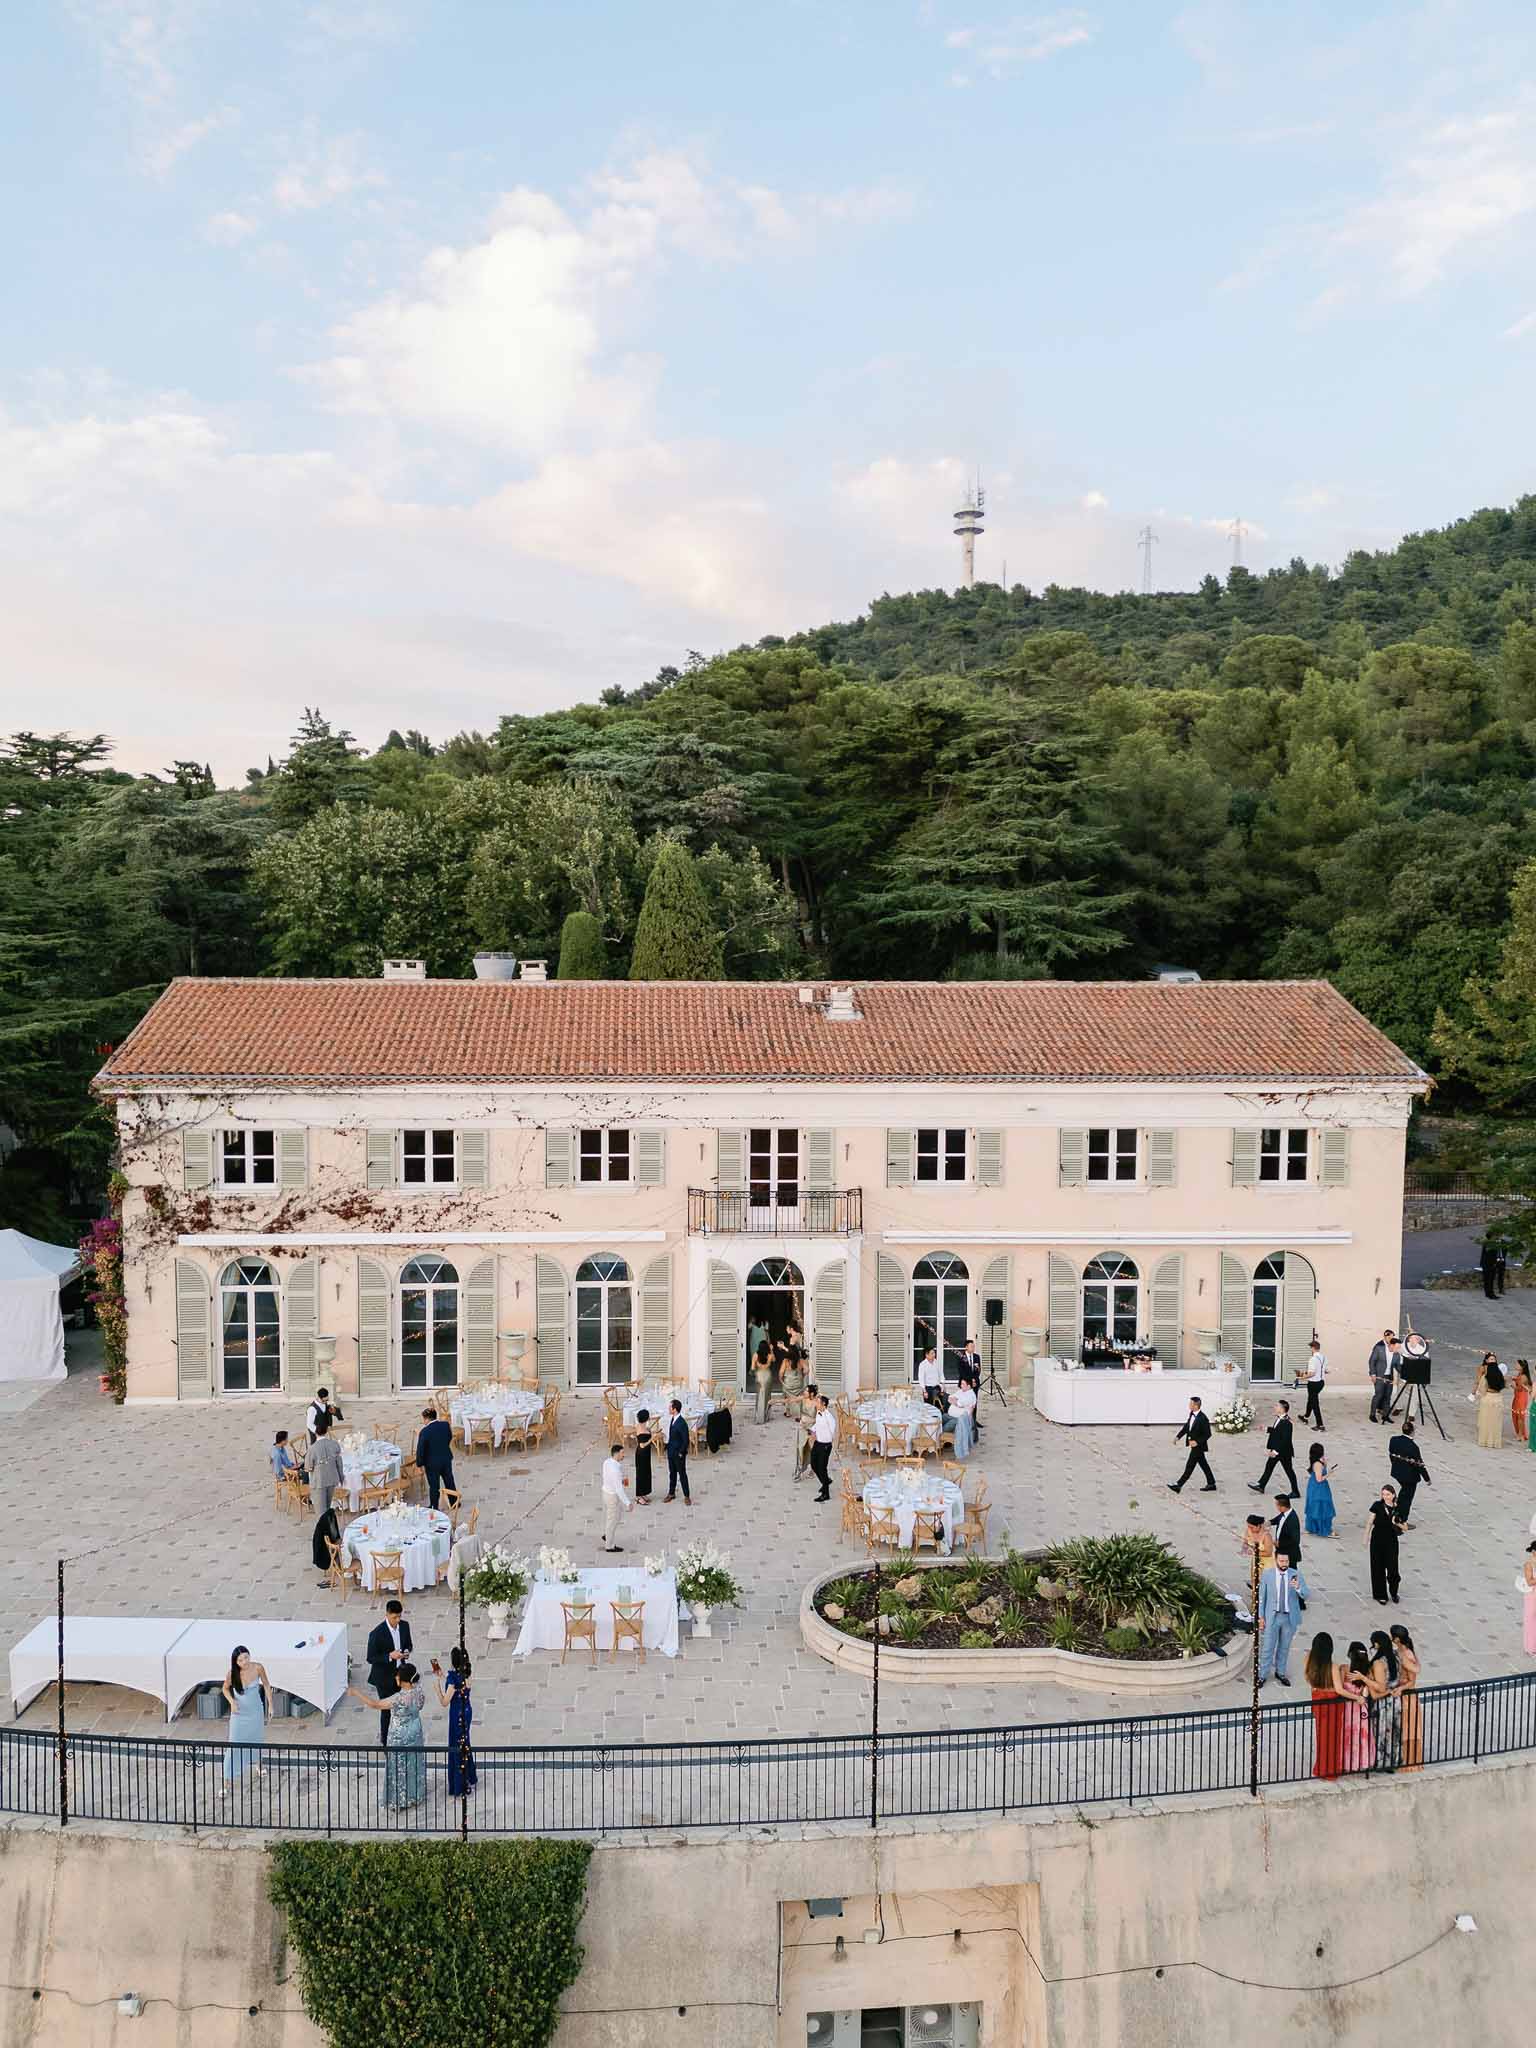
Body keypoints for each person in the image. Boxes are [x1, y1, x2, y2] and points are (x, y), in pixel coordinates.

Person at [347, 1663, 426, 1811]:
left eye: (397, 1675)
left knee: (398, 1767)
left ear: (402, 1680)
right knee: (413, 1764)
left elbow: (375, 1704)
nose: (395, 1677)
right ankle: (415, 1795)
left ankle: (399, 1799)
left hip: (399, 1737)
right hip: (415, 1733)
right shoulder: (419, 1691)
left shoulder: (398, 1698)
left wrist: (356, 1693)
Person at [219, 1645, 271, 1793]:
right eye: (240, 1660)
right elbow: (224, 1688)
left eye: (246, 1657)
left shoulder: (258, 1668)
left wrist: (271, 1705)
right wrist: (232, 1702)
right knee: (234, 1744)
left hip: (255, 1712)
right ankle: (226, 1782)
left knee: (256, 1739)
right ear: (236, 1661)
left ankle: (259, 1765)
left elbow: (267, 1685)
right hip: (239, 1714)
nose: (244, 1661)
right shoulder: (232, 1674)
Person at [1256, 1550, 1309, 1688]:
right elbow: (1262, 1598)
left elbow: (1306, 1594)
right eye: (1281, 1561)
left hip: (1289, 1618)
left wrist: (1298, 1588)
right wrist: (1261, 1617)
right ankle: (1262, 1675)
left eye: (1286, 1561)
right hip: (1272, 1617)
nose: (1284, 1564)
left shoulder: (1295, 1574)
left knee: (1284, 1647)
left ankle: (1280, 1672)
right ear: (1276, 1560)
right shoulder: (1268, 1575)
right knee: (1268, 1647)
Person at [365, 1599, 412, 1749]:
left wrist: (406, 1652)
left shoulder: (404, 1626)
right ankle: (386, 1743)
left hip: (401, 1675)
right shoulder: (377, 1634)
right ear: (387, 1614)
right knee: (386, 1711)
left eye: (399, 1617)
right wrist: (389, 1656)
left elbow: (408, 1644)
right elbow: (370, 1658)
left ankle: (402, 1736)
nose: (397, 1620)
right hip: (384, 1678)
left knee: (403, 1707)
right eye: (394, 1617)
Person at [432, 1645, 477, 1800]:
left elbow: (445, 1701)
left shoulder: (452, 1679)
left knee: (456, 1746)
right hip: (467, 1711)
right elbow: (458, 1686)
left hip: (456, 1713)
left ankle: (461, 1784)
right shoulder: (467, 1674)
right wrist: (444, 1675)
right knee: (465, 1743)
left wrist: (437, 1688)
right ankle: (469, 1777)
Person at [306, 1415, 345, 1580]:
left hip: (320, 1483)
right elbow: (339, 1463)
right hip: (332, 1480)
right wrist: (340, 1477)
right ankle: (330, 1537)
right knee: (327, 1509)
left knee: (321, 1515)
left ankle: (327, 1546)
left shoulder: (312, 1449)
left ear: (316, 1431)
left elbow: (308, 1467)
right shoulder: (334, 1444)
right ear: (327, 1430)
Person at [1306, 1632, 1344, 1779]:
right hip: (1332, 1702)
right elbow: (1339, 1689)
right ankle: (1330, 1769)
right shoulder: (1333, 1666)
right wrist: (1357, 1697)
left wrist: (1317, 1688)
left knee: (1321, 1735)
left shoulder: (1310, 1659)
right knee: (1333, 1737)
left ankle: (1321, 1766)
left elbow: (1307, 1677)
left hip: (1318, 1700)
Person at [1366, 1629, 1401, 1773]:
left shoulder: (1379, 1663)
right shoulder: (1396, 1657)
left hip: (1383, 1702)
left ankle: (1380, 1763)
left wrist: (1366, 1679)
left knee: (1381, 1732)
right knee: (1393, 1731)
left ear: (1377, 1644)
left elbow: (1380, 1688)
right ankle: (1393, 1761)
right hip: (1395, 1700)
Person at [1339, 1643, 1377, 1774]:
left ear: (1350, 1654)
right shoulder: (1367, 1671)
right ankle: (1363, 1762)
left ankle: (1347, 1763)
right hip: (1362, 1708)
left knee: (1348, 1735)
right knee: (1361, 1735)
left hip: (1348, 1709)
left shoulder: (1344, 1669)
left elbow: (1339, 1690)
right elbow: (1368, 1691)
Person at [1249, 1400, 1299, 1497]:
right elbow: (1277, 1431)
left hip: (1283, 1452)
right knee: (1269, 1467)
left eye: (1277, 1406)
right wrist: (1266, 1429)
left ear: (1282, 1409)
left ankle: (1295, 1492)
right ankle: (1261, 1485)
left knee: (1289, 1471)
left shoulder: (1287, 1422)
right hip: (1278, 1449)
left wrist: (1275, 1452)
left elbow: (1285, 1440)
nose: (1275, 1407)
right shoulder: (1280, 1419)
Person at [1366, 1484, 1405, 1604]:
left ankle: (1394, 1592)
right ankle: (1380, 1594)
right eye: (1383, 1494)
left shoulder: (1398, 1508)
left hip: (1391, 1542)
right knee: (1377, 1567)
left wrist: (1396, 1522)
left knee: (1393, 1568)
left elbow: (1405, 1527)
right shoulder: (1377, 1505)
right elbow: (1369, 1522)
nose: (1385, 1496)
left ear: (1393, 1495)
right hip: (1377, 1540)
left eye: (1388, 1494)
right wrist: (1365, 1537)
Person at [1387, 1417, 1429, 1525]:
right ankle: (1402, 1520)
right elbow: (1419, 1464)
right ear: (1412, 1432)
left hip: (1397, 1473)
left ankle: (1394, 1512)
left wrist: (1395, 1465)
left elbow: (1392, 1455)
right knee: (1407, 1499)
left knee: (1403, 1494)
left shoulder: (1394, 1440)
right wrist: (1427, 1478)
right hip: (1409, 1477)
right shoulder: (1413, 1447)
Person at [1169, 1396, 1216, 1492]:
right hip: (1193, 1445)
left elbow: (1208, 1434)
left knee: (1190, 1466)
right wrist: (1178, 1437)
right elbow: (1187, 1427)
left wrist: (1197, 1442)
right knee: (1203, 1464)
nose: (1189, 1405)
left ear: (1196, 1405)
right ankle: (1211, 1483)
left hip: (1198, 1446)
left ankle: (1179, 1485)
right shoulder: (1192, 1414)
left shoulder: (1203, 1418)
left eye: (1191, 1404)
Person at [1391, 1625, 1422, 1771]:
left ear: (1396, 1638)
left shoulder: (1407, 1655)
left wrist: (1400, 1688)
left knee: (1409, 1729)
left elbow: (1412, 1681)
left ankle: (1410, 1763)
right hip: (1399, 1696)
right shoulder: (1399, 1652)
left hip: (1407, 1698)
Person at [415, 1406, 456, 1511]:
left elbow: (421, 1450)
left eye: (423, 1419)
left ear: (427, 1419)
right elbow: (449, 1437)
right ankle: (455, 1502)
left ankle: (434, 1506)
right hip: (446, 1458)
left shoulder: (424, 1431)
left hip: (432, 1463)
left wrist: (419, 1464)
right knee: (449, 1481)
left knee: (434, 1486)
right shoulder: (445, 1425)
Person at [601, 1442, 633, 1551]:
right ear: (617, 1454)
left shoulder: (607, 1462)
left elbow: (611, 1477)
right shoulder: (615, 1470)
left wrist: (621, 1479)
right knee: (612, 1520)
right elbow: (619, 1490)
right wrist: (628, 1503)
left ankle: (607, 1534)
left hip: (606, 1492)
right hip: (612, 1497)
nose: (624, 1455)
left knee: (617, 1516)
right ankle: (609, 1546)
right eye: (622, 1453)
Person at [664, 1398, 692, 1504]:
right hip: (671, 1452)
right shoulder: (673, 1419)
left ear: (674, 1409)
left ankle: (687, 1496)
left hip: (678, 1454)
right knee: (672, 1474)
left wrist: (681, 1453)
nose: (668, 1408)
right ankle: (671, 1493)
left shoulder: (682, 1423)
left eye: (670, 1407)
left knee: (682, 1474)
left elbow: (686, 1440)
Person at [1304, 1442, 1335, 1538]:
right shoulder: (1317, 1464)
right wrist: (1329, 1473)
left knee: (1316, 1506)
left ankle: (1314, 1527)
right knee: (1322, 1506)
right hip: (1319, 1488)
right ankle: (1323, 1529)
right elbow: (1319, 1479)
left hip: (1315, 1486)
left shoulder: (1317, 1462)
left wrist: (1325, 1463)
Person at [808, 1394, 836, 1502]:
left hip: (825, 1445)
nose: (816, 1404)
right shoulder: (818, 1413)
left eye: (817, 1402)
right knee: (814, 1465)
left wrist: (827, 1440)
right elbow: (817, 1425)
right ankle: (826, 1481)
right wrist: (812, 1430)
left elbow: (832, 1433)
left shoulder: (829, 1417)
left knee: (822, 1468)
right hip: (817, 1443)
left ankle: (826, 1493)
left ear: (823, 1404)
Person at [1367, 1331, 1398, 1424]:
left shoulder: (1394, 1348)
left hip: (1389, 1376)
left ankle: (1386, 1415)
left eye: (1392, 1337)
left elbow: (1397, 1364)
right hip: (1379, 1375)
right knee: (1378, 1395)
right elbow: (1372, 1361)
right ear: (1385, 1336)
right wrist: (1373, 1374)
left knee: (1387, 1396)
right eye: (1390, 1337)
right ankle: (1372, 1414)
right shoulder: (1379, 1347)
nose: (1391, 1339)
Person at [1477, 1357, 1506, 1448]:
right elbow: (1505, 1385)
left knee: (1486, 1421)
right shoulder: (1501, 1377)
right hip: (1498, 1399)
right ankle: (1495, 1442)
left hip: (1487, 1399)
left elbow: (1482, 1389)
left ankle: (1484, 1441)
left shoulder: (1485, 1377)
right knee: (1496, 1422)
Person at [1270, 1494, 1302, 1571]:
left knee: (1291, 1572)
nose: (1276, 1507)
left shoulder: (1292, 1520)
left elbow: (1295, 1540)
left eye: (1277, 1505)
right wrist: (1269, 1522)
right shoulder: (1285, 1513)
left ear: (1282, 1507)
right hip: (1282, 1550)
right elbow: (1279, 1518)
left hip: (1289, 1553)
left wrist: (1279, 1543)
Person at [1299, 1339, 1327, 1429]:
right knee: (1311, 1399)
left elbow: (1311, 1373)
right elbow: (1325, 1370)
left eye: (1310, 1348)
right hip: (1321, 1383)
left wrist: (1301, 1377)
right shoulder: (1323, 1357)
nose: (1310, 1349)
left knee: (1314, 1403)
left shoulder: (1312, 1359)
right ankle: (1306, 1416)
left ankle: (1320, 1424)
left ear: (1313, 1348)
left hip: (1313, 1384)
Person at [949, 1374, 977, 1459]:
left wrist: (956, 1402)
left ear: (968, 1386)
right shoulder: (961, 1391)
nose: (960, 1386)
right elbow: (949, 1398)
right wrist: (956, 1402)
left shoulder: (970, 1395)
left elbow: (959, 1404)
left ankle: (938, 1441)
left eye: (962, 1384)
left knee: (943, 1426)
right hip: (951, 1415)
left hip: (958, 1419)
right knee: (940, 1417)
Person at [632, 1409, 654, 1504]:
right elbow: (642, 1445)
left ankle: (643, 1493)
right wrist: (652, 1438)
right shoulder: (641, 1429)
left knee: (646, 1473)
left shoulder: (642, 1426)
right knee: (641, 1474)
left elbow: (647, 1432)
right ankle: (639, 1496)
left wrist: (651, 1432)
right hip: (642, 1454)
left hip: (645, 1454)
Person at [1512, 1361, 1533, 1449]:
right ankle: (1520, 1434)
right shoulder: (1520, 1374)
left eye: (1517, 1364)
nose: (1515, 1365)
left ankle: (1521, 1435)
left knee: (1520, 1415)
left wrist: (1513, 1386)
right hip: (1518, 1396)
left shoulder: (1523, 1376)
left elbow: (1520, 1388)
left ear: (1522, 1367)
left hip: (1521, 1397)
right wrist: (1515, 1379)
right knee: (1517, 1414)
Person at [1523, 1540, 1536, 1656]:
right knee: (1531, 1620)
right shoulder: (1529, 1564)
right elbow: (1529, 1581)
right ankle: (1531, 1647)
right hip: (1533, 1595)